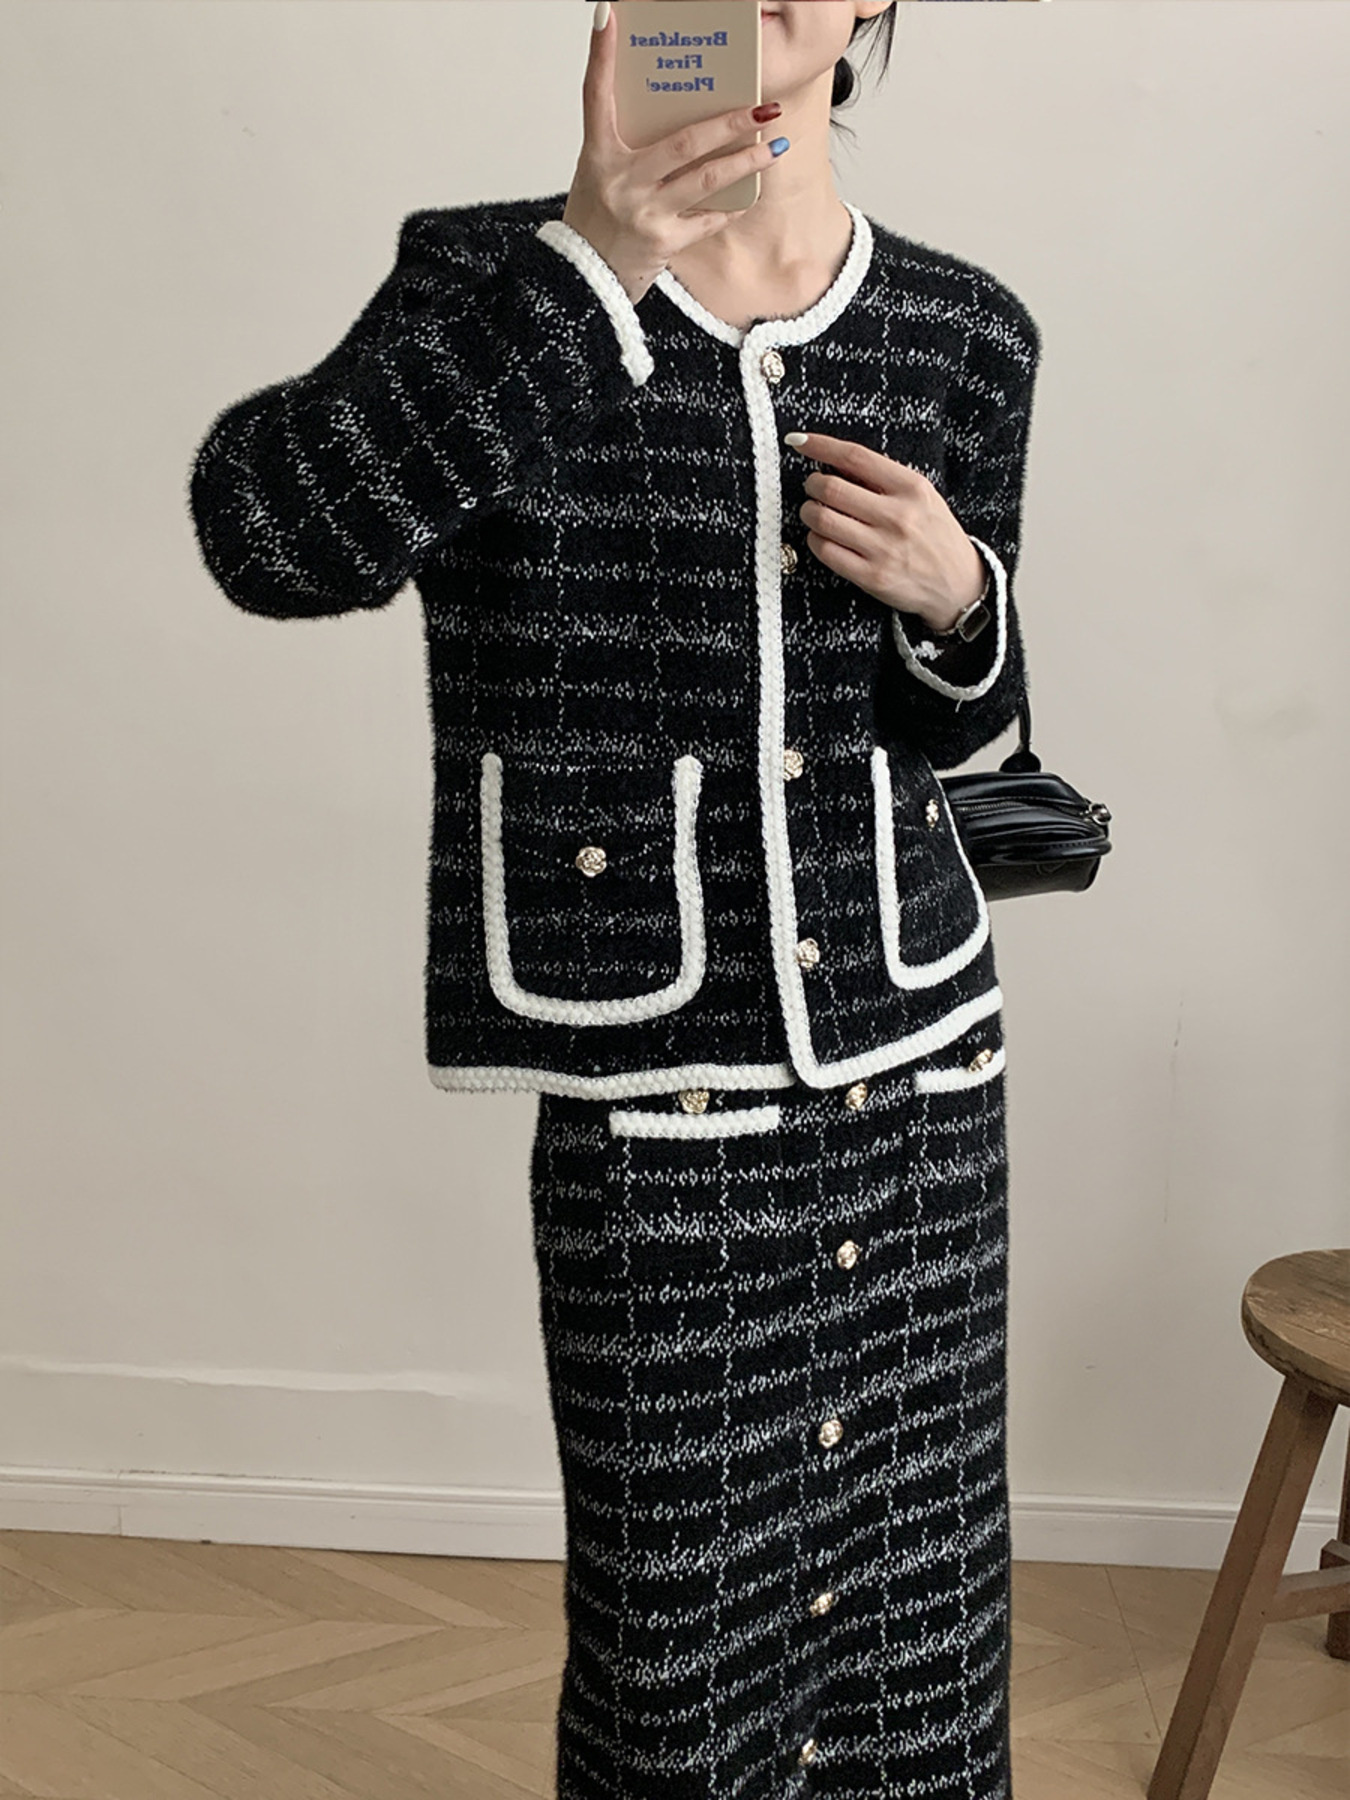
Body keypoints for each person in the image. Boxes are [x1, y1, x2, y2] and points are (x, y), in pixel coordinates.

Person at [188, 4, 1041, 1795]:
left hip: (921, 1075)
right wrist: (588, 266)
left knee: (922, 1617)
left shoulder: (965, 329)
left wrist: (964, 600)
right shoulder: (485, 280)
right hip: (660, 1089)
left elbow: (965, 738)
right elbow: (271, 538)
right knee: (679, 1645)